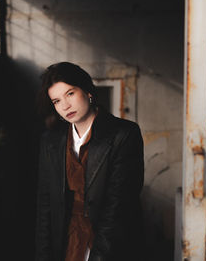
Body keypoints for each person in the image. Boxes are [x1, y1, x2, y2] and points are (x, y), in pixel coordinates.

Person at [36, 62, 144, 261]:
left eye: (70, 94)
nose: (65, 106)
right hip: (66, 240)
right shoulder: (51, 141)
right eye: (56, 101)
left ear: (88, 91)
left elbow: (119, 207)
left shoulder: (124, 134)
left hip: (109, 242)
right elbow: (46, 205)